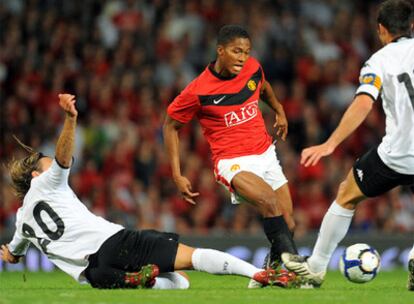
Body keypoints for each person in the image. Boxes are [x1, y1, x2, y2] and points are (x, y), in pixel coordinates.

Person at [0, 93, 294, 289]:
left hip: (96, 274)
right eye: (44, 161)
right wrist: (70, 119)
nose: (50, 160)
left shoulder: (22, 219)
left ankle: (138, 281)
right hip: (116, 242)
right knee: (193, 259)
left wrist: (10, 255)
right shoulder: (46, 182)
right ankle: (257, 273)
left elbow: (13, 253)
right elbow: (63, 159)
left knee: (179, 284)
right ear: (36, 174)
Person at [282, 0, 414, 290]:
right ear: (412, 25)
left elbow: (364, 103)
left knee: (347, 195)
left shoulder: (379, 60)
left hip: (398, 155)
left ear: (381, 30)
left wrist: (330, 143)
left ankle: (315, 268)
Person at [163, 25, 298, 288]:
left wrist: (279, 110)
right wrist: (177, 175)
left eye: (246, 52)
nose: (242, 57)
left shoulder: (252, 69)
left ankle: (266, 275)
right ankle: (297, 268)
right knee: (270, 203)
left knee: (288, 223)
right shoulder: (198, 90)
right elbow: (170, 126)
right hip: (233, 161)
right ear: (220, 50)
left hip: (265, 153)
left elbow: (264, 87)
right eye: (237, 51)